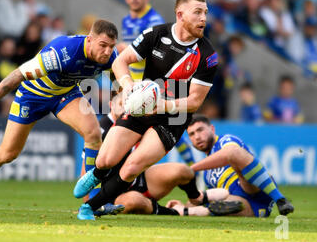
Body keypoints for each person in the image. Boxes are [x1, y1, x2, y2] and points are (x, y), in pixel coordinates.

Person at [74, 0, 219, 220]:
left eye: (206, 13)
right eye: (198, 12)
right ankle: (98, 173)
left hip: (173, 117)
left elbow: (194, 102)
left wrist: (161, 105)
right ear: (180, 15)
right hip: (142, 104)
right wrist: (128, 86)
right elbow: (121, 60)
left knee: (131, 167)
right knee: (105, 160)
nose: (204, 19)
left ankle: (89, 208)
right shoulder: (157, 34)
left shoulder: (208, 55)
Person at [0, 19, 119, 214]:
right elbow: (18, 74)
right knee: (8, 153)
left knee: (93, 134)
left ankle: (92, 203)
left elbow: (117, 78)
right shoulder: (62, 52)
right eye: (103, 45)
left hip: (64, 95)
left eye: (111, 46)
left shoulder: (111, 56)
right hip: (32, 97)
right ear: (89, 40)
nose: (107, 51)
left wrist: (118, 98)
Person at [92, 92, 244, 218]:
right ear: (111, 106)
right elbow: (88, 169)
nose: (126, 107)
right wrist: (93, 203)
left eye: (128, 103)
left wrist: (193, 167)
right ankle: (179, 211)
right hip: (116, 193)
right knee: (134, 201)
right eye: (122, 104)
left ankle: (197, 198)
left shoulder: (139, 118)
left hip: (141, 178)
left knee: (183, 171)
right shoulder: (101, 130)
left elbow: (178, 141)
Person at [118, 0, 195, 166]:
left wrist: (125, 49)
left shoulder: (154, 20)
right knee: (138, 124)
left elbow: (158, 52)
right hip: (132, 81)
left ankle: (193, 168)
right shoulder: (126, 20)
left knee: (160, 125)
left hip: (150, 82)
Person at [181, 115, 294, 217]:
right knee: (192, 205)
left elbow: (230, 152)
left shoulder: (225, 140)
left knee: (233, 152)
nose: (197, 137)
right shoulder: (207, 174)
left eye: (200, 130)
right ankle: (191, 211)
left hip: (252, 187)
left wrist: (192, 168)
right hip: (243, 203)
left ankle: (280, 199)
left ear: (212, 129)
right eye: (192, 134)